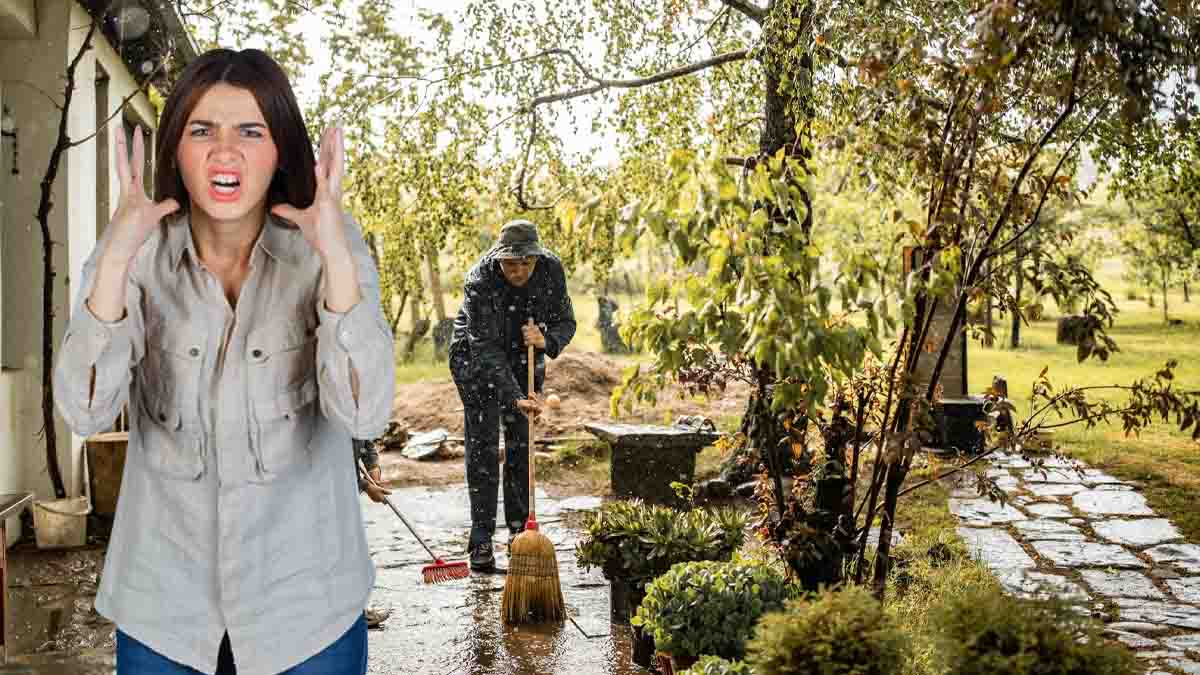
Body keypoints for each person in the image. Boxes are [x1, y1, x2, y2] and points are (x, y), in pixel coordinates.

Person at [52, 48, 395, 674]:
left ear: (280, 150)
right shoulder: (134, 253)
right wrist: (112, 263)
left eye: (251, 131)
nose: (225, 152)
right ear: (176, 150)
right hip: (166, 610)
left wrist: (338, 262)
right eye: (202, 130)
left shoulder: (329, 250)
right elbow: (84, 408)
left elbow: (366, 412)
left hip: (307, 607)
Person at [448, 220, 576, 573]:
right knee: (484, 447)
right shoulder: (479, 281)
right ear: (498, 258)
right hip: (474, 359)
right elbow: (485, 348)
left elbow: (567, 320)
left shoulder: (550, 270)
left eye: (525, 263)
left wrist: (546, 340)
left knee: (522, 442)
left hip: (524, 355)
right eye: (510, 263)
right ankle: (481, 539)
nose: (518, 270)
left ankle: (520, 533)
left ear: (536, 258)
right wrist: (513, 395)